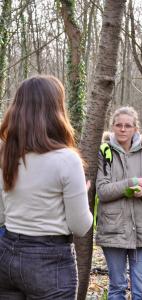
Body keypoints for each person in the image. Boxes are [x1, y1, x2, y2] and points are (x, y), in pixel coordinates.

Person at [0, 75, 93, 299]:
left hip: (6, 257)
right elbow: (80, 226)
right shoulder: (66, 159)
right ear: (56, 109)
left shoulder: (5, 154)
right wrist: (83, 193)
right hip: (49, 263)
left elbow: (1, 215)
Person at [95, 106, 142, 300]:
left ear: (135, 128)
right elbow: (103, 191)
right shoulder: (104, 152)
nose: (123, 129)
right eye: (119, 125)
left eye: (128, 126)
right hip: (113, 229)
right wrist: (133, 182)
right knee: (117, 287)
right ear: (113, 127)